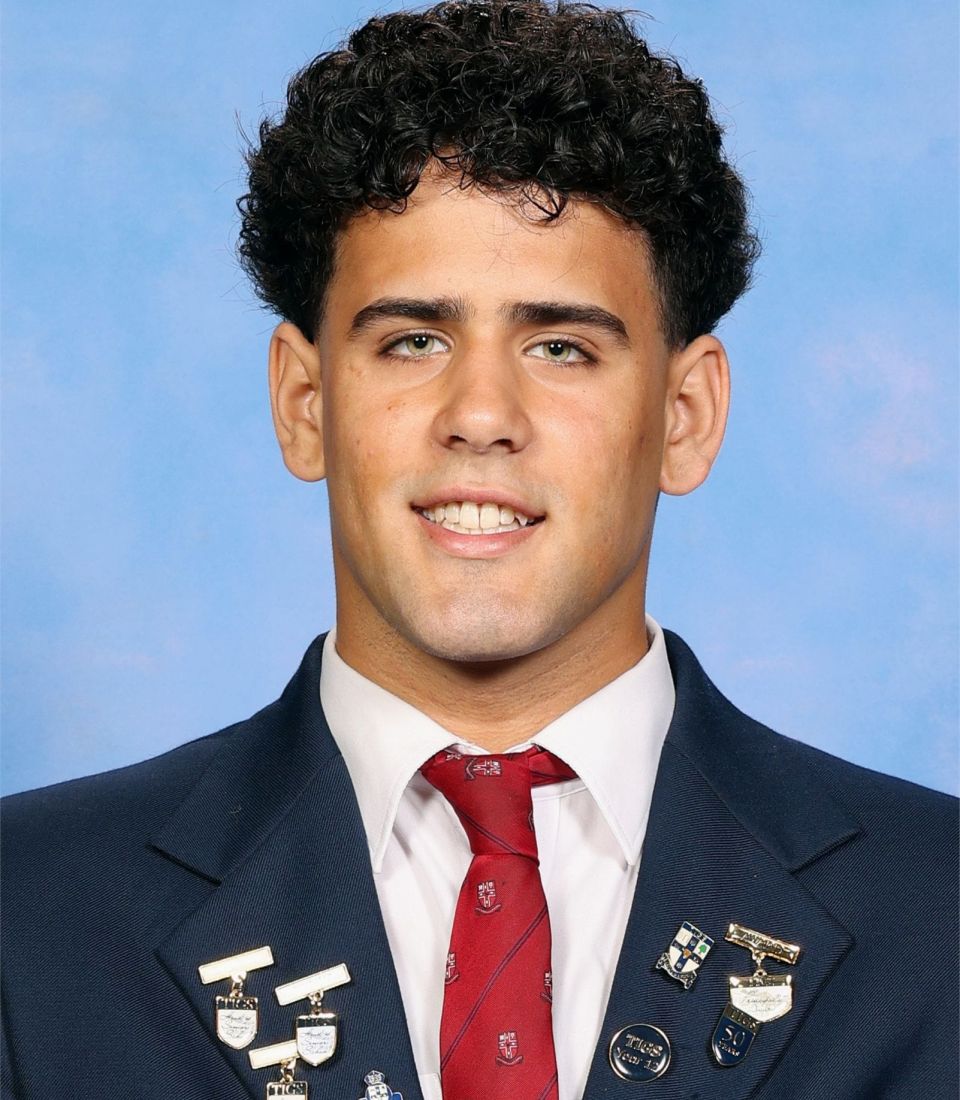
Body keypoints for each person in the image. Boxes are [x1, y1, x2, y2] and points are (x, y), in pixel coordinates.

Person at [2, 3, 956, 1098]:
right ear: (304, 403)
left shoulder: (939, 912)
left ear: (685, 416)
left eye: (561, 346)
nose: (482, 415)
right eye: (414, 340)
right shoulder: (30, 914)